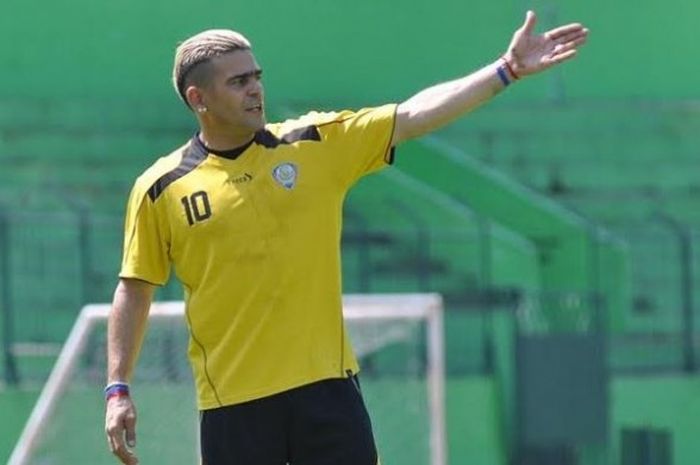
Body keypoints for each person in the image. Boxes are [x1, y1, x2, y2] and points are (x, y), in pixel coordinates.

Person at [104, 10, 587, 465]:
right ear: (198, 98)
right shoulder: (160, 188)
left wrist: (506, 70)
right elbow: (136, 286)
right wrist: (118, 387)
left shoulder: (315, 143)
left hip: (327, 391)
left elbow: (413, 116)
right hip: (234, 404)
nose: (255, 90)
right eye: (238, 81)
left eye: (257, 76)